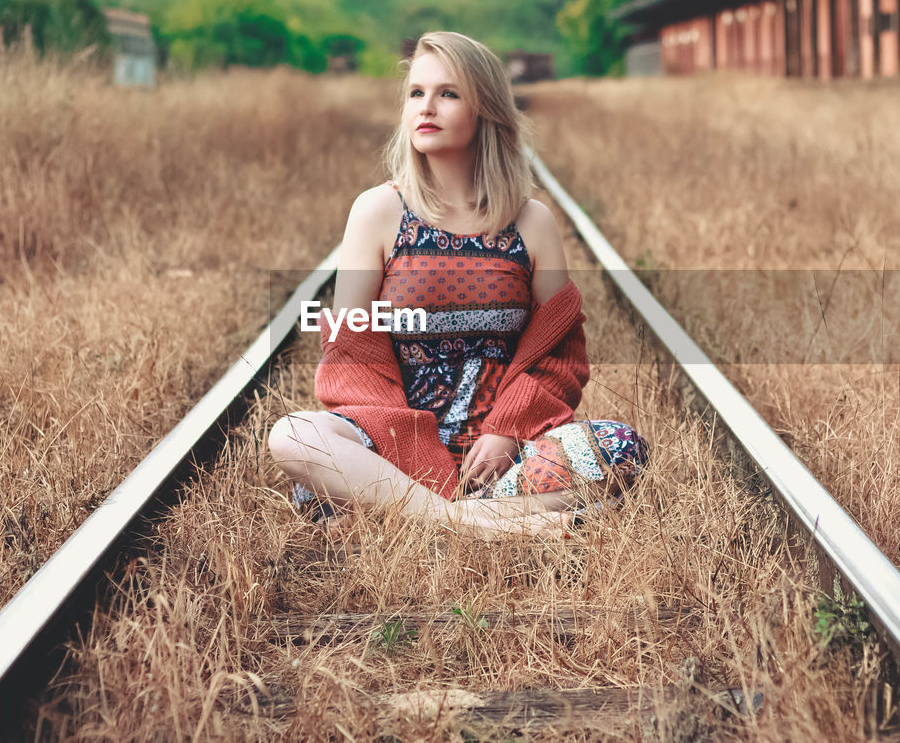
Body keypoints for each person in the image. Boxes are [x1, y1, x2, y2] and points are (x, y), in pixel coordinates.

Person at [267, 31, 648, 538]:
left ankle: (435, 517)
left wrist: (508, 430)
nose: (427, 106)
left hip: (500, 463)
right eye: (416, 93)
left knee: (622, 448)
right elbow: (354, 350)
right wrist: (409, 446)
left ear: (484, 110)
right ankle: (473, 524)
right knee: (294, 436)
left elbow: (559, 355)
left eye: (448, 94)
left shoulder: (531, 223)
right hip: (396, 451)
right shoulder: (379, 212)